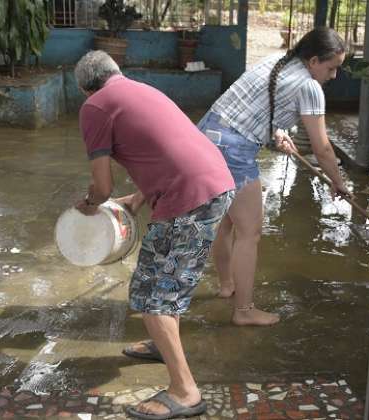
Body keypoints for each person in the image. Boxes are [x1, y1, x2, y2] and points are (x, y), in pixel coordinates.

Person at [73, 50, 234, 420]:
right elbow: (168, 150)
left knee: (152, 296)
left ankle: (184, 391)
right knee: (164, 283)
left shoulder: (94, 107)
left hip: (189, 199)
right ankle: (165, 344)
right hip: (214, 185)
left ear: (85, 89)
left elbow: (101, 185)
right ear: (116, 72)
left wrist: (88, 203)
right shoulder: (141, 90)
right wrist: (137, 198)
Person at [196, 27, 350, 326]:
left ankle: (227, 285)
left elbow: (250, 105)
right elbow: (323, 148)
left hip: (208, 134)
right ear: (315, 60)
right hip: (233, 149)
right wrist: (338, 181)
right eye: (331, 68)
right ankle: (244, 311)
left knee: (226, 223)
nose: (333, 76)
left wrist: (275, 132)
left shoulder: (277, 61)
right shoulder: (309, 87)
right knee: (249, 232)